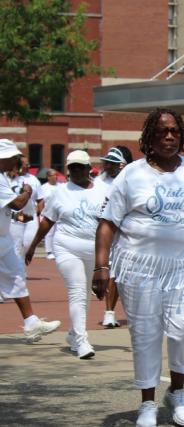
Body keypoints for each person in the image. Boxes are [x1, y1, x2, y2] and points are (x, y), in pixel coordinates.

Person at [91, 109, 184, 427]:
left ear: (182, 136)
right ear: (149, 137)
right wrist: (101, 267)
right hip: (139, 265)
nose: (169, 136)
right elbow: (108, 223)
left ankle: (177, 392)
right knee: (146, 334)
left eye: (175, 131)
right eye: (162, 131)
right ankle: (148, 403)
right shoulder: (132, 174)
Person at [25, 150, 109, 359]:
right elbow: (47, 221)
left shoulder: (103, 191)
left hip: (93, 249)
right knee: (77, 291)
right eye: (72, 167)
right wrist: (34, 244)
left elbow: (110, 222)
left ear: (90, 168)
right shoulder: (60, 192)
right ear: (68, 170)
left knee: (86, 295)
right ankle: (81, 341)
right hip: (67, 247)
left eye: (81, 166)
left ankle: (73, 334)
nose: (77, 171)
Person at [0, 139, 61, 342]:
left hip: (4, 237)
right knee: (15, 275)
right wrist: (27, 191)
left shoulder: (3, 177)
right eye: (14, 157)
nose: (16, 160)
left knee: (17, 275)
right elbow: (17, 203)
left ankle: (31, 322)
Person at [96, 146, 134, 329]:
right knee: (112, 273)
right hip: (108, 233)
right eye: (106, 162)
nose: (107, 166)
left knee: (124, 275)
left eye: (112, 163)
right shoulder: (99, 183)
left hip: (129, 234)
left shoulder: (131, 180)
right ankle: (109, 313)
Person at [8, 158, 42, 259]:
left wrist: (39, 211)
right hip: (14, 217)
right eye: (25, 164)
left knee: (29, 243)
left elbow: (40, 199)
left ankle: (20, 264)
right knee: (16, 245)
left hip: (31, 216)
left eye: (28, 164)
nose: (28, 166)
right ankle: (20, 271)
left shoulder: (33, 179)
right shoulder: (7, 180)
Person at [36, 169, 59, 260]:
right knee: (49, 233)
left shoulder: (60, 186)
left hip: (59, 213)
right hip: (47, 213)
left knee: (58, 233)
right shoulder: (43, 188)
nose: (55, 177)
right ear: (48, 177)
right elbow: (40, 200)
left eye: (56, 175)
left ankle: (56, 251)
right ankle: (49, 251)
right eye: (53, 175)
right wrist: (41, 213)